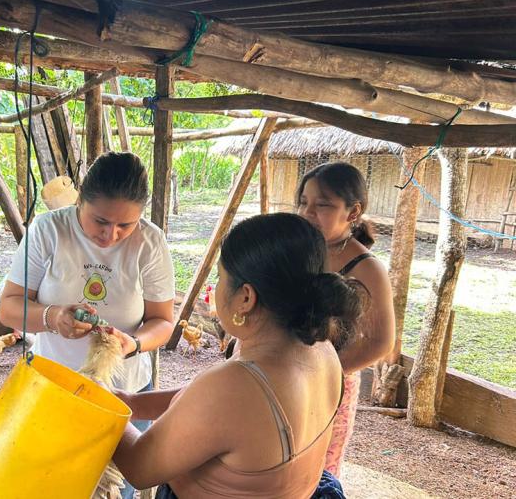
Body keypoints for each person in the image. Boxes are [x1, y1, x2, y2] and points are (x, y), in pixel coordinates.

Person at [112, 213, 363, 498]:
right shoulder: (321, 350)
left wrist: (105, 406)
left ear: (245, 298)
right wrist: (132, 402)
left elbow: (138, 466)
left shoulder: (235, 386)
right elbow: (203, 406)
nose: (217, 287)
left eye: (220, 277)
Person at [0, 151, 175, 498]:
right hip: (52, 388)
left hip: (123, 392)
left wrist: (132, 343)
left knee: (112, 488)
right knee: (49, 485)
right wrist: (53, 318)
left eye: (125, 225)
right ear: (80, 200)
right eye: (100, 222)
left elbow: (162, 321)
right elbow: (9, 308)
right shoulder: (49, 231)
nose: (111, 236)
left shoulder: (150, 243)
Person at [296, 162, 396, 477]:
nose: (308, 212)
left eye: (322, 205)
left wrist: (325, 373)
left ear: (353, 212)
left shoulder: (366, 268)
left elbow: (381, 341)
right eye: (303, 202)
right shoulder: (300, 251)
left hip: (329, 384)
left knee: (316, 472)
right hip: (283, 373)